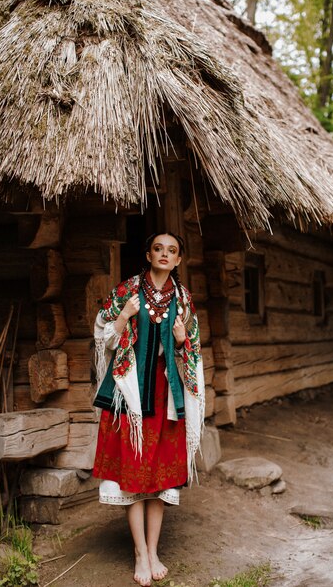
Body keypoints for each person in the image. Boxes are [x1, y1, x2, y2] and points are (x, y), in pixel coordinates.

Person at [92, 232, 205, 587]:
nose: (165, 254)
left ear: (179, 260)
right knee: (133, 471)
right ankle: (140, 552)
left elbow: (194, 350)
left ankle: (154, 550)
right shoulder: (127, 291)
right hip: (131, 396)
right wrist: (125, 315)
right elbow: (102, 333)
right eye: (159, 248)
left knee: (159, 477)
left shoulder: (184, 300)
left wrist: (182, 340)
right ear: (148, 254)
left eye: (172, 251)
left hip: (166, 396)